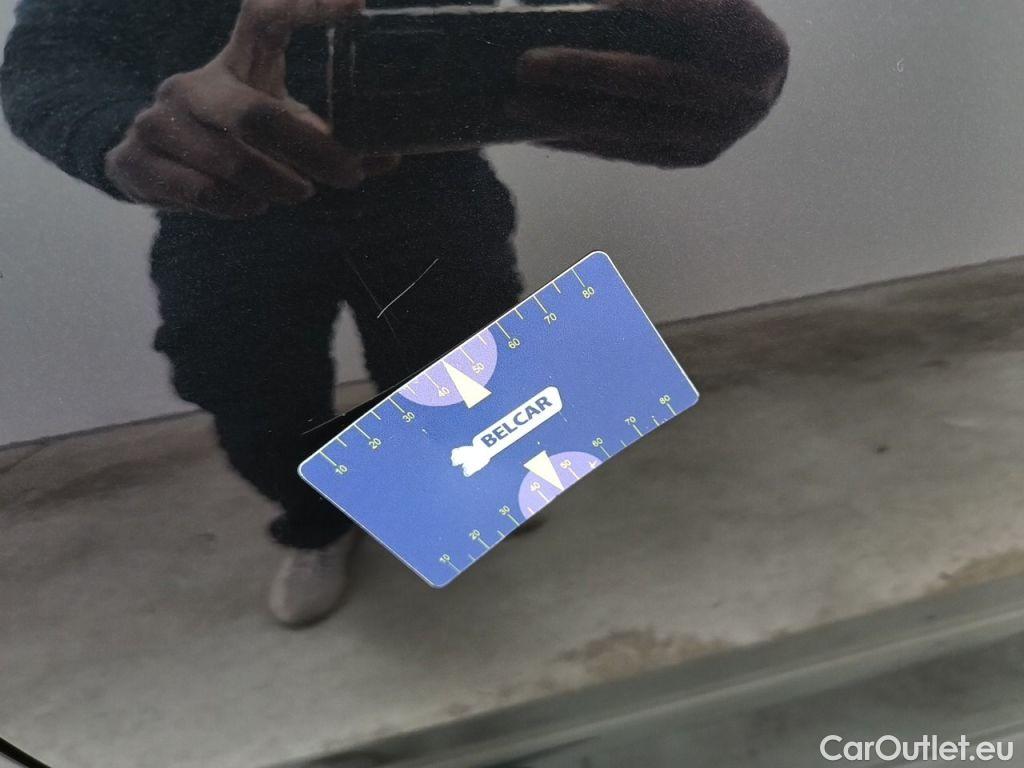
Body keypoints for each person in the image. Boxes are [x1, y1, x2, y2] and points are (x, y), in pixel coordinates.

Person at [1, 0, 788, 626]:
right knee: (255, 399)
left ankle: (468, 491)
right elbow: (51, 53)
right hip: (231, 207)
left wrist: (685, 45)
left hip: (427, 184)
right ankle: (317, 525)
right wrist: (118, 138)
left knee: (463, 363)